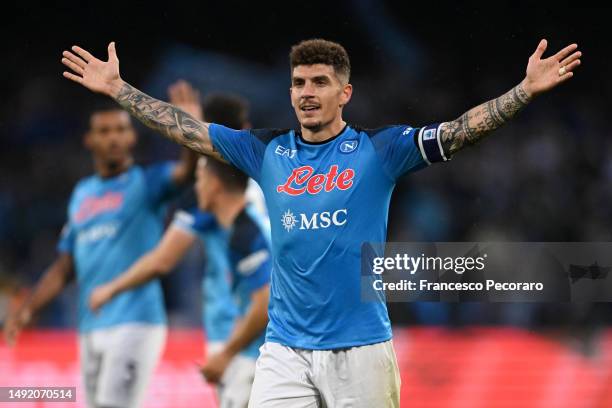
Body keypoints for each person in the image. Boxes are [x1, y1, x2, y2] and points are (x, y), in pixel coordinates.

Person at [61, 37, 581, 407]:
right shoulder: (263, 150)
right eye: (298, 83)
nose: (306, 92)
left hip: (362, 349)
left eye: (320, 82)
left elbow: (459, 131)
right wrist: (120, 90)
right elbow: (190, 132)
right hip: (284, 348)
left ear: (344, 93)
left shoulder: (383, 149)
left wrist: (523, 92)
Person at [3, 80, 200, 408]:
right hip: (91, 324)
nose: (113, 138)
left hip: (136, 321)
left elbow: (186, 171)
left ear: (131, 138)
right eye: (104, 131)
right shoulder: (82, 194)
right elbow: (66, 266)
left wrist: (190, 129)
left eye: (120, 129)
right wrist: (28, 308)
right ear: (89, 140)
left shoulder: (146, 183)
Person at [88, 95, 271, 408]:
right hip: (273, 331)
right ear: (246, 129)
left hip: (236, 331)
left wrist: (110, 289)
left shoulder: (221, 207)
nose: (198, 180)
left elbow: (162, 260)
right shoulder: (274, 180)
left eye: (201, 174)